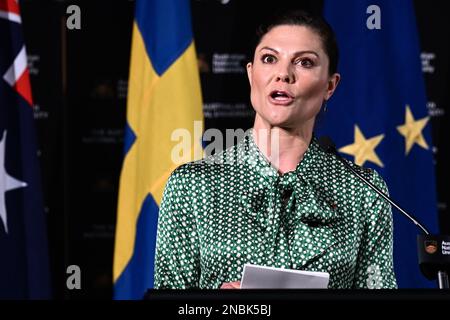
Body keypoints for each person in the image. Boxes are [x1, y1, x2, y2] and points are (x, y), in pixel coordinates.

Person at [153, 9, 397, 289]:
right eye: (269, 59)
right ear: (251, 74)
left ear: (330, 85)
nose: (283, 74)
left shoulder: (363, 190)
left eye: (304, 62)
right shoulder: (193, 185)